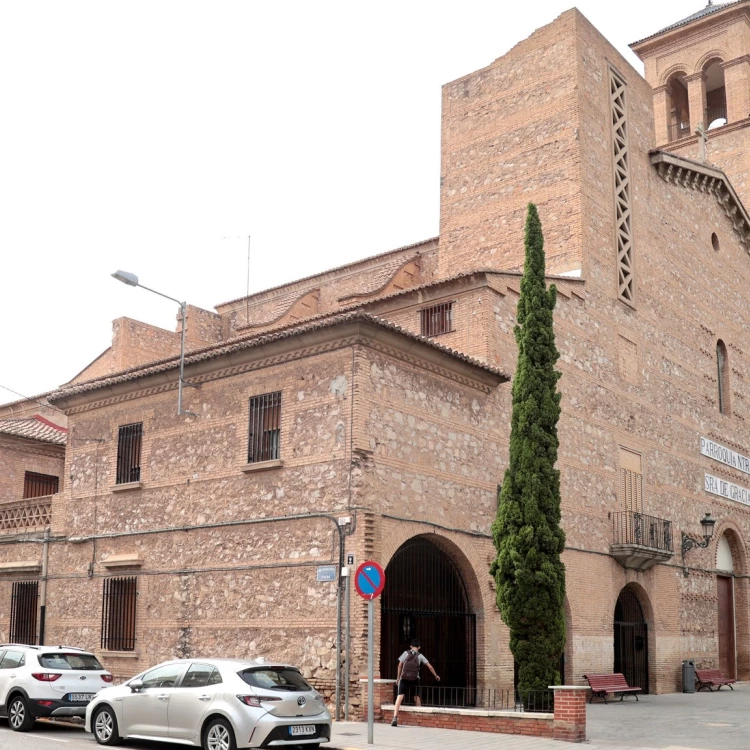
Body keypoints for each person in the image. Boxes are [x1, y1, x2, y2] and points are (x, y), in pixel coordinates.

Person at [391, 638, 439, 726]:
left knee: (399, 697)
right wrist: (436, 675)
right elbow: (430, 666)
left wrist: (398, 678)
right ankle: (419, 717)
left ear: (410, 646)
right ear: (419, 647)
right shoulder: (420, 656)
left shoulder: (405, 653)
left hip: (404, 678)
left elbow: (399, 665)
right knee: (416, 696)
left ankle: (394, 717)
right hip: (415, 679)